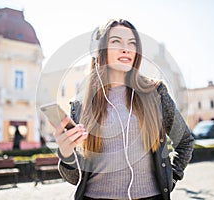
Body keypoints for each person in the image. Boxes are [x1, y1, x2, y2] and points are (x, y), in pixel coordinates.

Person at [53, 19, 194, 200]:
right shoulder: (81, 104)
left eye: (132, 43)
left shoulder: (155, 93)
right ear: (99, 50)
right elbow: (75, 179)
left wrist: (171, 178)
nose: (126, 48)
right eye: (116, 41)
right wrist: (65, 154)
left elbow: (185, 141)